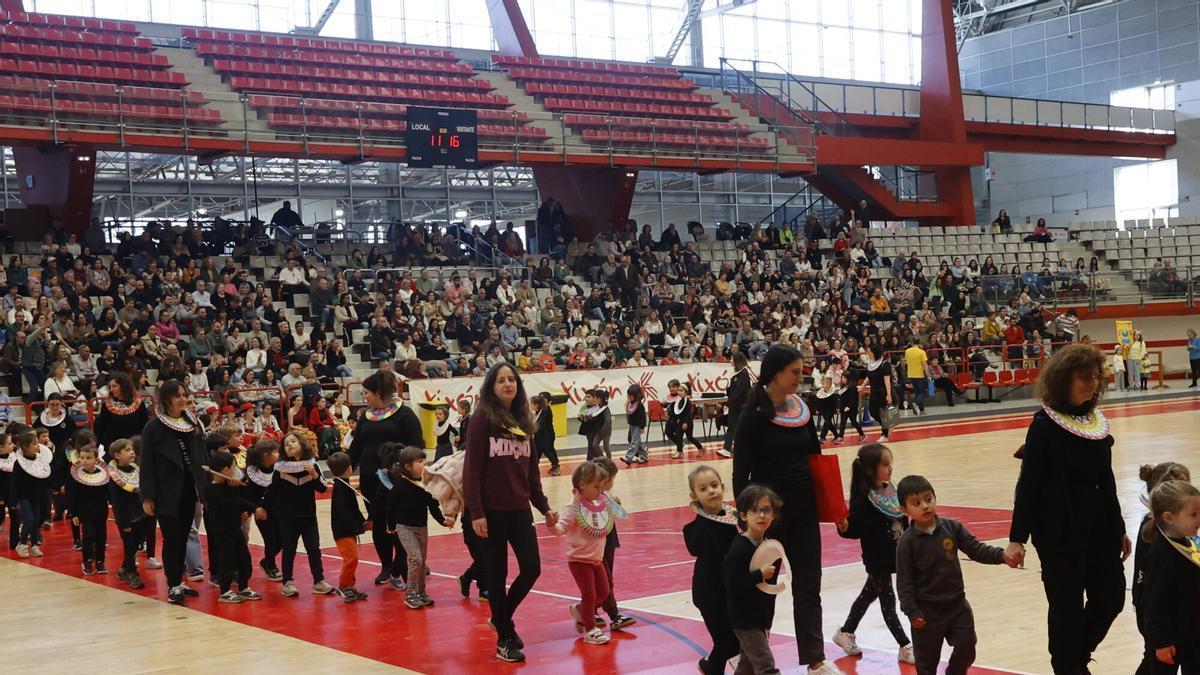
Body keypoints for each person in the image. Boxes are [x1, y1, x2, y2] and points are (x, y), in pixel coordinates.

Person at [1006, 344, 1129, 674]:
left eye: (1095, 376)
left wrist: (1119, 529)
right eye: (1083, 376)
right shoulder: (1043, 426)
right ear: (1063, 379)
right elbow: (1028, 485)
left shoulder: (1096, 424)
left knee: (1112, 597)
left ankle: (1070, 660)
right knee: (1066, 610)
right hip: (1059, 537)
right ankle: (1069, 666)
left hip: (1100, 532)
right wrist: (1017, 538)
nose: (1091, 383)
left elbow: (1108, 481)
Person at [732, 344, 840, 674]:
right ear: (776, 373)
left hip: (805, 513)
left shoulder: (801, 410)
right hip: (768, 519)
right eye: (795, 371)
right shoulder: (752, 416)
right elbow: (740, 473)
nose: (800, 377)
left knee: (809, 586)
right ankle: (751, 654)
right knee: (763, 589)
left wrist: (836, 510)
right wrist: (746, 518)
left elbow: (818, 461)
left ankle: (815, 660)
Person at [463, 361, 559, 663]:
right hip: (489, 513)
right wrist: (476, 511)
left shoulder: (524, 420)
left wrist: (543, 506)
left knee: (532, 568)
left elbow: (531, 472)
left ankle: (501, 618)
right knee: (498, 575)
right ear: (491, 387)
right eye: (501, 380)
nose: (508, 384)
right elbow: (472, 469)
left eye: (512, 380)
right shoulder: (481, 419)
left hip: (519, 510)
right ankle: (504, 638)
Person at [896, 475, 1015, 675]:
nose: (925, 506)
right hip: (926, 614)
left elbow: (976, 549)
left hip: (957, 606)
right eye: (917, 503)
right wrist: (912, 611)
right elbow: (904, 583)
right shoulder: (906, 543)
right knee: (926, 665)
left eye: (928, 499)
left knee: (967, 646)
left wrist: (1002, 556)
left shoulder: (952, 528)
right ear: (904, 510)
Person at [833, 444, 914, 664]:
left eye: (891, 464)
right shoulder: (863, 500)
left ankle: (846, 631)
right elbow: (855, 529)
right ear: (869, 470)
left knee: (868, 595)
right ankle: (904, 645)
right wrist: (844, 526)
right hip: (877, 560)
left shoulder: (892, 491)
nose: (890, 469)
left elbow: (903, 520)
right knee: (888, 602)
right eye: (885, 464)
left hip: (895, 557)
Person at [347, 369, 422, 585]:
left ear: (379, 392)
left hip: (397, 481)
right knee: (378, 523)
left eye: (367, 393)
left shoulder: (405, 414)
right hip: (370, 480)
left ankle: (400, 567)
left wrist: (407, 470)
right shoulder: (366, 416)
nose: (365, 397)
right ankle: (386, 566)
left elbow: (416, 445)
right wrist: (346, 467)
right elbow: (357, 445)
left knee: (398, 525)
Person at [140, 379, 211, 605]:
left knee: (183, 537)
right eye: (177, 395)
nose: (182, 399)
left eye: (184, 394)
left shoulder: (191, 422)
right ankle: (172, 584)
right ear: (166, 399)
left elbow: (201, 456)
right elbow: (147, 463)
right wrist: (147, 496)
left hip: (190, 489)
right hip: (167, 491)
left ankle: (179, 582)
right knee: (171, 539)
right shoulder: (153, 426)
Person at [1135, 479, 1200, 674]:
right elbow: (1154, 602)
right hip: (1169, 640)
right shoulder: (1161, 555)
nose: (1199, 519)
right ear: (1169, 518)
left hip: (1194, 634)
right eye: (1193, 514)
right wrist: (1161, 641)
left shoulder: (1189, 542)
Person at [553, 461, 619, 645]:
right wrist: (552, 524)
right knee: (589, 595)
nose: (600, 491)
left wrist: (613, 507)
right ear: (582, 484)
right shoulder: (572, 508)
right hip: (579, 560)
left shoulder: (598, 503)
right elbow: (561, 528)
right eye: (596, 487)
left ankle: (580, 609)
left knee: (604, 592)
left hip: (596, 560)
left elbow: (605, 520)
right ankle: (590, 629)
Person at [683, 465, 739, 674]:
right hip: (709, 593)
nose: (711, 491)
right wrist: (706, 519)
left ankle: (711, 666)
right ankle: (709, 666)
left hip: (729, 590)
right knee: (727, 641)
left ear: (723, 487)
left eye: (714, 485)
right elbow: (694, 548)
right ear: (694, 495)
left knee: (734, 641)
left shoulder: (732, 520)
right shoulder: (695, 529)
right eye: (704, 488)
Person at [724, 484, 784, 675]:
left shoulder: (769, 546)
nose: (761, 515)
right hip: (745, 620)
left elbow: (767, 588)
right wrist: (759, 574)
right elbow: (733, 584)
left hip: (761, 617)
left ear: (773, 514)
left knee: (747, 667)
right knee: (766, 665)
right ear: (743, 516)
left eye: (766, 510)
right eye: (755, 510)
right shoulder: (739, 548)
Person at [1132, 461, 1191, 652]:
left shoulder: (1182, 531)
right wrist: (1159, 636)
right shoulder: (1155, 539)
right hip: (1160, 622)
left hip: (1183, 618)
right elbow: (1150, 591)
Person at [387, 445, 454, 609]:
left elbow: (432, 505)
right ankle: (410, 594)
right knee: (415, 558)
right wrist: (391, 526)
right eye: (419, 461)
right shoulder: (401, 485)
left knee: (422, 561)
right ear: (408, 466)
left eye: (425, 460)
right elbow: (390, 506)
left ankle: (421, 593)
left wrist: (442, 521)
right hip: (404, 527)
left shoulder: (425, 485)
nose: (424, 463)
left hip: (422, 527)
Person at [270, 431, 334, 598]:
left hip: (308, 515)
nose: (290, 445)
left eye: (293, 441)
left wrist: (313, 475)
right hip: (287, 516)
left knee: (313, 548)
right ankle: (288, 582)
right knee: (289, 549)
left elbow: (322, 488)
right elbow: (273, 491)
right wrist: (262, 508)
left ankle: (319, 581)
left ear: (302, 444)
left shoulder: (313, 465)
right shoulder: (280, 467)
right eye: (286, 443)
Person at [204, 449, 266, 603]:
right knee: (227, 559)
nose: (235, 471)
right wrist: (233, 490)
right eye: (233, 467)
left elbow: (241, 501)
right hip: (222, 530)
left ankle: (243, 587)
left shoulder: (229, 487)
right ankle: (225, 591)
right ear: (226, 470)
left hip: (235, 528)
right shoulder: (211, 490)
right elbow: (230, 506)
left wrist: (254, 508)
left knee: (244, 558)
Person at [595, 457, 635, 631]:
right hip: (597, 542)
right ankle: (612, 613)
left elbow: (618, 513)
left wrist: (614, 504)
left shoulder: (605, 496)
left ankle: (590, 611)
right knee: (604, 579)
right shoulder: (591, 497)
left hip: (608, 538)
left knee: (605, 578)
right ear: (607, 480)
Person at [327, 451, 368, 603]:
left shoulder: (343, 485)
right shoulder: (340, 487)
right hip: (342, 530)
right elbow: (343, 510)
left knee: (352, 558)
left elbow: (352, 508)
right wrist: (356, 525)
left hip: (346, 529)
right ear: (349, 468)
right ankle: (344, 585)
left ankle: (350, 585)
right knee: (351, 558)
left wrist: (361, 522)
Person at [106, 439, 145, 589]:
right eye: (127, 450)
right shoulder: (115, 476)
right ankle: (131, 573)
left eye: (132, 449)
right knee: (129, 545)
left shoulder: (137, 468)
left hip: (140, 513)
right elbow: (117, 503)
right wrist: (124, 523)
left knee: (136, 544)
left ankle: (124, 569)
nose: (132, 452)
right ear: (117, 455)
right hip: (126, 517)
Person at [68, 445, 110, 576]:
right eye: (82, 458)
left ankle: (100, 561)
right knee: (89, 535)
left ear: (96, 459)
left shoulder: (104, 475)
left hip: (101, 510)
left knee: (101, 536)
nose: (84, 460)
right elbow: (73, 496)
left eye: (88, 458)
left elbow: (108, 493)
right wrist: (73, 513)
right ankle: (87, 560)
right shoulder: (76, 475)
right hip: (84, 511)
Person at [245, 439, 282, 582]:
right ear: (266, 455)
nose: (278, 454)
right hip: (263, 513)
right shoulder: (252, 473)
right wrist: (255, 509)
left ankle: (266, 561)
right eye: (275, 451)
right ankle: (271, 566)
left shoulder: (279, 469)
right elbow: (247, 497)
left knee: (283, 541)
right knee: (270, 540)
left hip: (279, 511)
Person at [94, 372, 149, 452]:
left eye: (114, 386)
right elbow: (101, 427)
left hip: (133, 449)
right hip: (112, 449)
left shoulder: (139, 403)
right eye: (110, 386)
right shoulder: (107, 405)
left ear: (124, 386)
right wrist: (96, 448)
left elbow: (144, 427)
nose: (111, 389)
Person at [722, 352, 751, 458]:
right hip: (736, 405)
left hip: (740, 405)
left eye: (731, 359)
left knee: (734, 427)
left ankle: (727, 448)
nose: (730, 361)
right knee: (735, 427)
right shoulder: (736, 373)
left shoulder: (743, 374)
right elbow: (734, 391)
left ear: (737, 361)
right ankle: (735, 447)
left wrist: (728, 404)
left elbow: (739, 391)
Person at [666, 380, 704, 459]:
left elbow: (688, 414)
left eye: (681, 391)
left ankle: (701, 448)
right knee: (679, 436)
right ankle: (680, 452)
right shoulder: (679, 401)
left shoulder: (688, 402)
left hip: (687, 422)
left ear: (686, 392)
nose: (679, 392)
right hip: (681, 422)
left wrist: (686, 422)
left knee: (690, 437)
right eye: (679, 391)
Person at [865, 344, 895, 441]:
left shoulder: (884, 364)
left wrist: (889, 394)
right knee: (872, 411)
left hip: (883, 391)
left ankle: (885, 435)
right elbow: (869, 377)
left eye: (869, 351)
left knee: (882, 412)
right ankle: (888, 425)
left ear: (874, 353)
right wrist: (862, 386)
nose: (867, 353)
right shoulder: (870, 363)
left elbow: (887, 380)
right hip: (874, 391)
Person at [578, 388, 611, 460]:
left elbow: (606, 421)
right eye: (585, 397)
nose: (586, 399)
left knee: (604, 446)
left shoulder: (602, 408)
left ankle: (606, 460)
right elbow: (588, 417)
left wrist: (603, 431)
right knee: (593, 445)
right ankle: (601, 459)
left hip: (602, 431)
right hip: (591, 430)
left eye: (589, 397)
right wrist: (582, 418)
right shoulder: (587, 407)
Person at [531, 393, 559, 476]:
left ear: (536, 404)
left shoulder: (545, 410)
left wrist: (531, 429)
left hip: (546, 435)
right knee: (537, 451)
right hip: (539, 435)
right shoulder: (538, 411)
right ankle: (533, 467)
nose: (530, 406)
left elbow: (540, 424)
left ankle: (556, 465)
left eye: (532, 404)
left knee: (547, 450)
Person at [622, 384, 648, 465]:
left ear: (636, 395)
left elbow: (643, 417)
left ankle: (628, 457)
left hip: (638, 426)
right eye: (628, 395)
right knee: (637, 442)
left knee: (634, 441)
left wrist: (642, 427)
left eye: (631, 395)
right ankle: (644, 456)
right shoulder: (630, 404)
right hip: (632, 425)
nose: (629, 397)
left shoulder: (639, 405)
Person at [903, 336, 928, 415]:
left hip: (911, 374)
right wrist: (928, 374)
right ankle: (916, 404)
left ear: (912, 342)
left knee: (917, 392)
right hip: (920, 375)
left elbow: (906, 362)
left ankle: (922, 410)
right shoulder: (922, 352)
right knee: (922, 392)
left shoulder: (907, 351)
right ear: (919, 342)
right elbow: (924, 364)